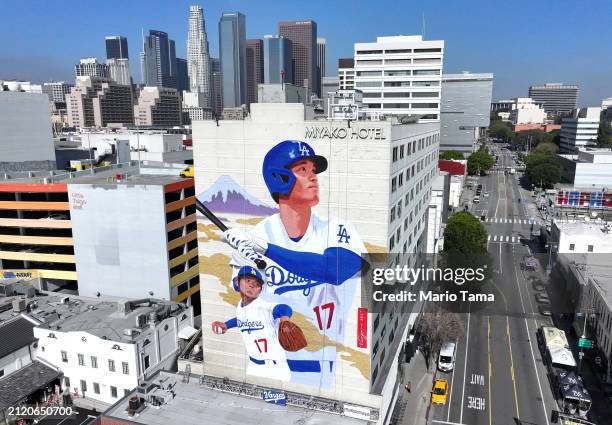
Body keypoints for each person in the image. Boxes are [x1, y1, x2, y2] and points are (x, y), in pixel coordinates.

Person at [223, 140, 367, 388]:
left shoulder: (338, 229)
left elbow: (334, 270)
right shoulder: (256, 236)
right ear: (279, 178)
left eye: (314, 170)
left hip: (322, 366)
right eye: (303, 170)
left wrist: (265, 249)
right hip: (269, 366)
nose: (314, 177)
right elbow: (244, 298)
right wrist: (241, 259)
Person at [211, 266, 295, 381]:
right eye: (248, 280)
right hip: (253, 365)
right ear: (237, 282)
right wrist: (226, 325)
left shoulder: (263, 306)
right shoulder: (241, 305)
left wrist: (284, 319)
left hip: (274, 369)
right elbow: (241, 318)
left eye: (256, 284)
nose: (251, 285)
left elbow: (283, 308)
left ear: (260, 290)